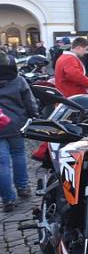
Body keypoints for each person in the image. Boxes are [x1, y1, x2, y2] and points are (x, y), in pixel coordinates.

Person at [0, 52, 37, 212]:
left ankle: (8, 199)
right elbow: (29, 102)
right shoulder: (18, 80)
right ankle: (23, 188)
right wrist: (33, 115)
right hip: (16, 124)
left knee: (2, 164)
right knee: (18, 155)